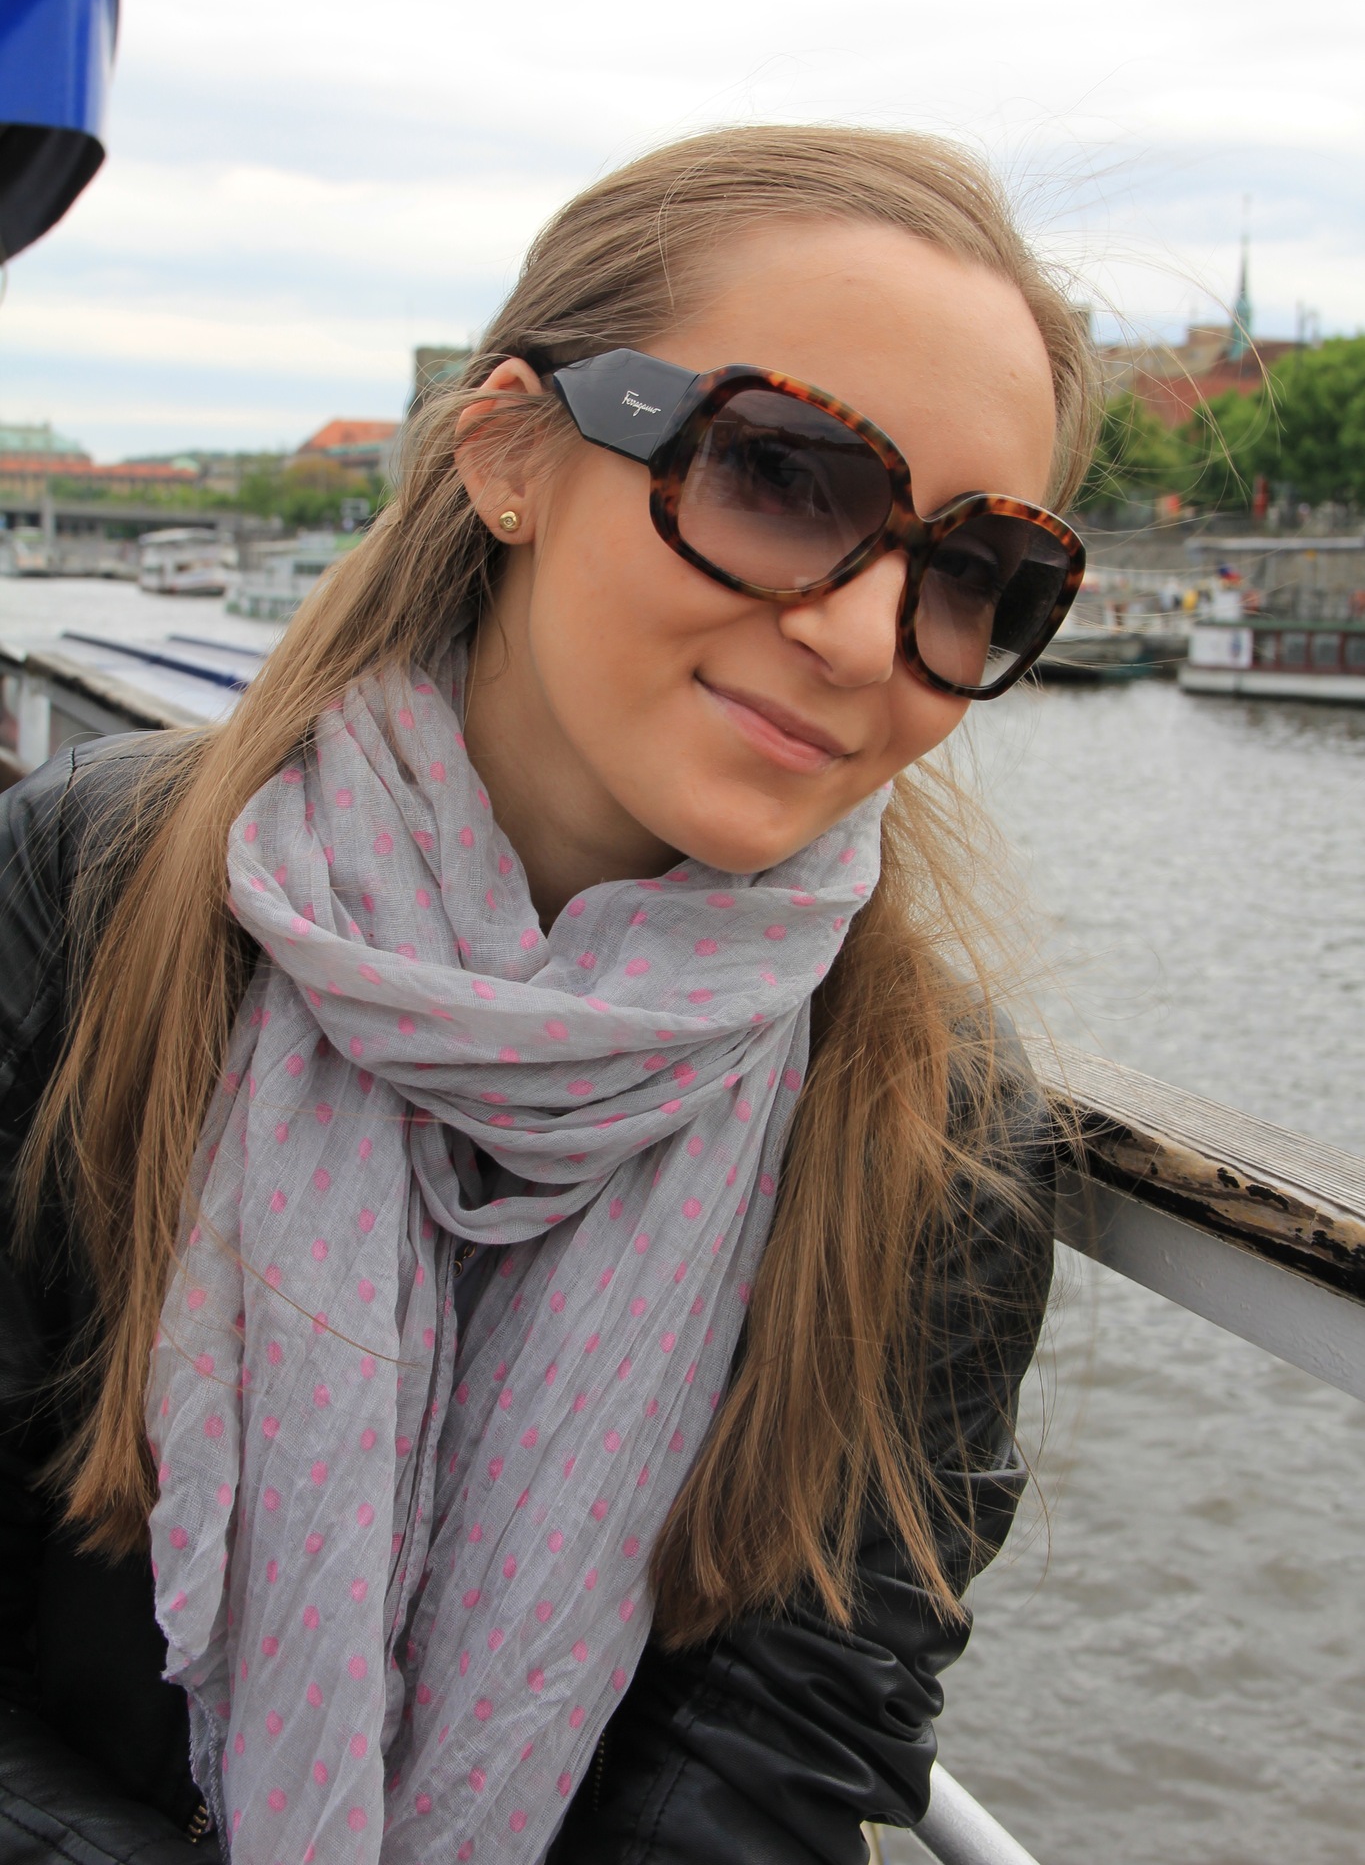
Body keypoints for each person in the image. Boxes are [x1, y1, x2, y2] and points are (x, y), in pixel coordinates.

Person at [0, 124, 1095, 1864]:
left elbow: (782, 1749)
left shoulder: (926, 1121)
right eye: (785, 474)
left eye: (975, 574)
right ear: (511, 452)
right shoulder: (87, 890)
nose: (862, 634)